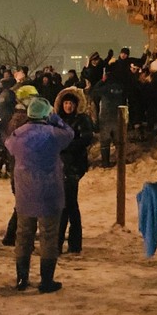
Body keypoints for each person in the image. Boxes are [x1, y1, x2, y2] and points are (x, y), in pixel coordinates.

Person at [5, 96, 73, 293]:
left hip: (25, 191)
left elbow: (9, 146)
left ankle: (22, 278)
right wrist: (56, 119)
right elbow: (69, 134)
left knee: (23, 234)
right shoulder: (53, 133)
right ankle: (46, 281)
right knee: (49, 236)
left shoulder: (18, 134)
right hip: (50, 191)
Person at [54, 88, 95, 255]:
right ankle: (70, 243)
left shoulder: (82, 119)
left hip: (74, 165)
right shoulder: (57, 120)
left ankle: (65, 243)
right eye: (65, 103)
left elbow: (86, 138)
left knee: (67, 203)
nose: (68, 106)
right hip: (60, 165)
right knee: (67, 204)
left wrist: (68, 146)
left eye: (71, 103)